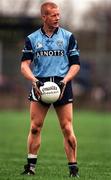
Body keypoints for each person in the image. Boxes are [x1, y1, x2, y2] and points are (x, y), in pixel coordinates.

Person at [21, 1, 80, 178]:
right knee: (35, 128)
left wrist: (64, 82)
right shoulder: (32, 39)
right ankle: (30, 167)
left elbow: (75, 65)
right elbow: (24, 65)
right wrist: (34, 81)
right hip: (40, 85)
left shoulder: (68, 36)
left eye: (58, 14)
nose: (57, 18)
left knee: (67, 128)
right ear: (44, 17)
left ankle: (73, 169)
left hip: (62, 84)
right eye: (53, 15)